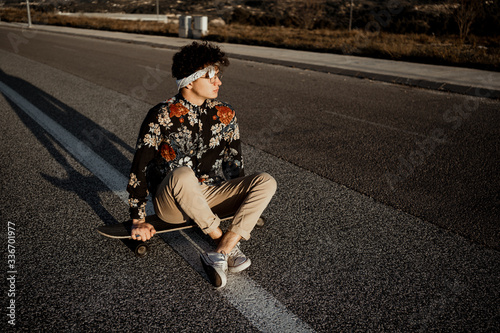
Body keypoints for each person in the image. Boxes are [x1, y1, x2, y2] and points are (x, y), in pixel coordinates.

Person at [126, 41, 277, 288]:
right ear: (189, 81)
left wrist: (243, 199)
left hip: (209, 194)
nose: (218, 82)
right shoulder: (161, 114)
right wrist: (138, 218)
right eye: (211, 77)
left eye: (218, 76)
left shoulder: (225, 113)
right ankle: (225, 242)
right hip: (172, 200)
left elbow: (233, 162)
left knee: (267, 181)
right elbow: (139, 167)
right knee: (183, 174)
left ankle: (222, 250)